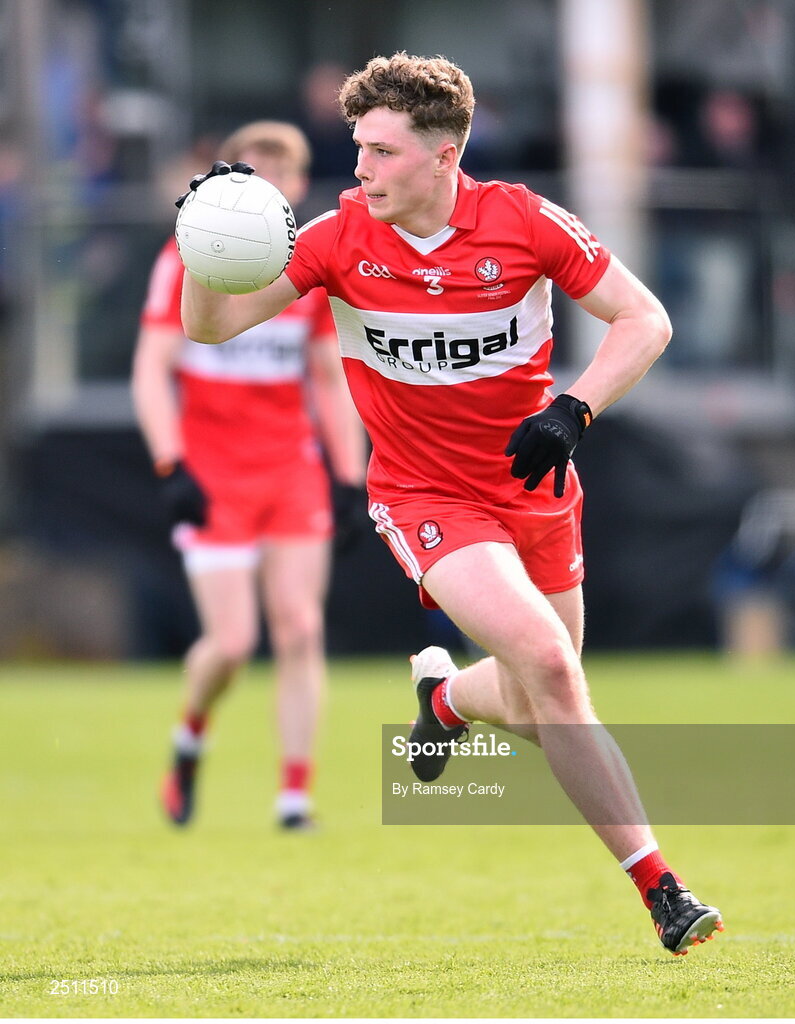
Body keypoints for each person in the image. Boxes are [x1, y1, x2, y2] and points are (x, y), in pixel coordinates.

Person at [178, 54, 724, 954]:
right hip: (425, 496)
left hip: (537, 485)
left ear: (444, 156)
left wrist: (575, 408)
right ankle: (663, 889)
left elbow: (646, 320)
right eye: (358, 148)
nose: (360, 169)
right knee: (552, 668)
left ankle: (445, 703)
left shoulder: (521, 221)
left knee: (535, 693)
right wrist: (205, 243)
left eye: (382, 152)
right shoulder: (337, 237)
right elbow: (211, 325)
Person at [132, 120, 367, 830]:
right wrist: (171, 463)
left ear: (296, 188)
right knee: (231, 644)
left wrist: (351, 477)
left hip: (289, 471)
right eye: (247, 174)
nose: (261, 187)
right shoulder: (186, 259)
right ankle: (189, 738)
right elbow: (151, 369)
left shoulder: (306, 272)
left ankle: (294, 798)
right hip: (212, 474)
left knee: (299, 627)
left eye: (275, 176)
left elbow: (329, 379)